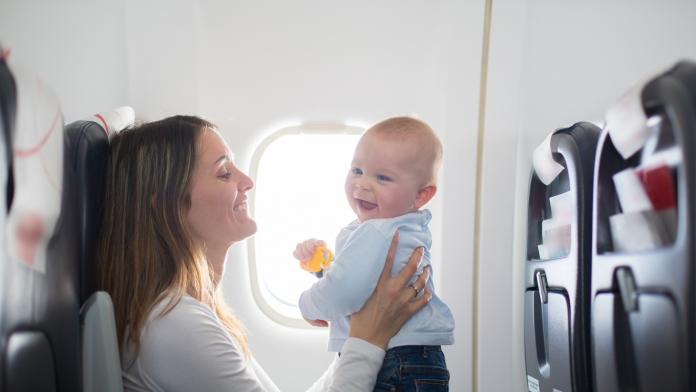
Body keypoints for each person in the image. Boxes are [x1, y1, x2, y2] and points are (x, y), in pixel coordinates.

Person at [96, 115, 433, 392]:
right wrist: (367, 337)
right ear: (167, 206)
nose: (247, 181)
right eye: (225, 172)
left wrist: (363, 330)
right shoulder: (174, 324)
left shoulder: (196, 310)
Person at [293, 117, 454, 391]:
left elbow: (346, 291)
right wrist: (322, 267)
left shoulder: (376, 232)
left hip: (395, 360)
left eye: (382, 177)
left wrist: (308, 305)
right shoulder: (400, 227)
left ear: (421, 195)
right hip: (416, 360)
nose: (362, 185)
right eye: (357, 170)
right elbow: (367, 280)